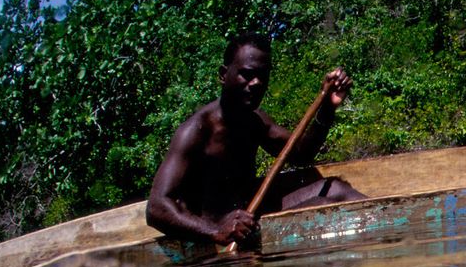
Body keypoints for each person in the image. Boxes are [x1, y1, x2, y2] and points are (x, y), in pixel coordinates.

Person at [146, 32, 366, 245]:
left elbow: (301, 154)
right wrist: (215, 232)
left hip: (250, 213)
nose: (256, 83)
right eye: (247, 74)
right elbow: (156, 208)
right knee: (323, 204)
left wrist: (327, 107)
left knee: (337, 189)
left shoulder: (254, 121)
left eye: (263, 76)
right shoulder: (196, 131)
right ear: (224, 75)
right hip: (216, 229)